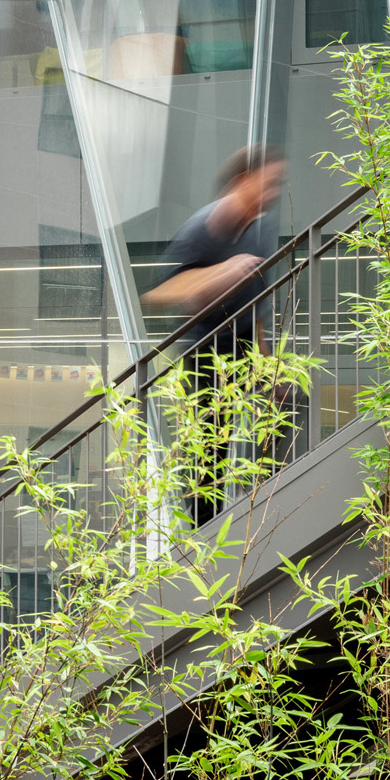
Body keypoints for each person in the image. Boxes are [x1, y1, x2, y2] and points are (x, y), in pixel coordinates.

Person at [143, 146, 287, 525]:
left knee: (270, 423)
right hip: (205, 353)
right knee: (210, 447)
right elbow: (160, 292)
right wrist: (223, 270)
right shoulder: (203, 228)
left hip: (242, 349)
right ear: (244, 180)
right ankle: (202, 531)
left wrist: (268, 362)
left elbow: (258, 304)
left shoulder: (259, 231)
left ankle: (267, 517)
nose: (273, 191)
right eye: (269, 182)